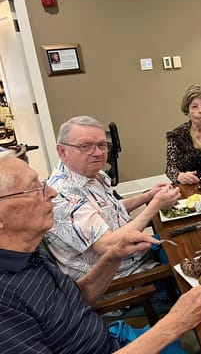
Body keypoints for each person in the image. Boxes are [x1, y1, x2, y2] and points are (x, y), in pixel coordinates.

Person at [0, 153, 201, 353]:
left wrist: (113, 257)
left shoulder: (27, 254)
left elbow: (76, 299)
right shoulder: (5, 301)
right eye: (34, 189)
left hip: (112, 339)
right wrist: (173, 325)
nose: (53, 193)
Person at [44, 115, 181, 280]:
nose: (98, 153)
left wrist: (147, 196)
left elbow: (109, 209)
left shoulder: (89, 174)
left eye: (102, 145)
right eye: (85, 146)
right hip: (127, 279)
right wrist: (155, 206)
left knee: (188, 237)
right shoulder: (63, 194)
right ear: (62, 151)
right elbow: (109, 245)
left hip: (139, 254)